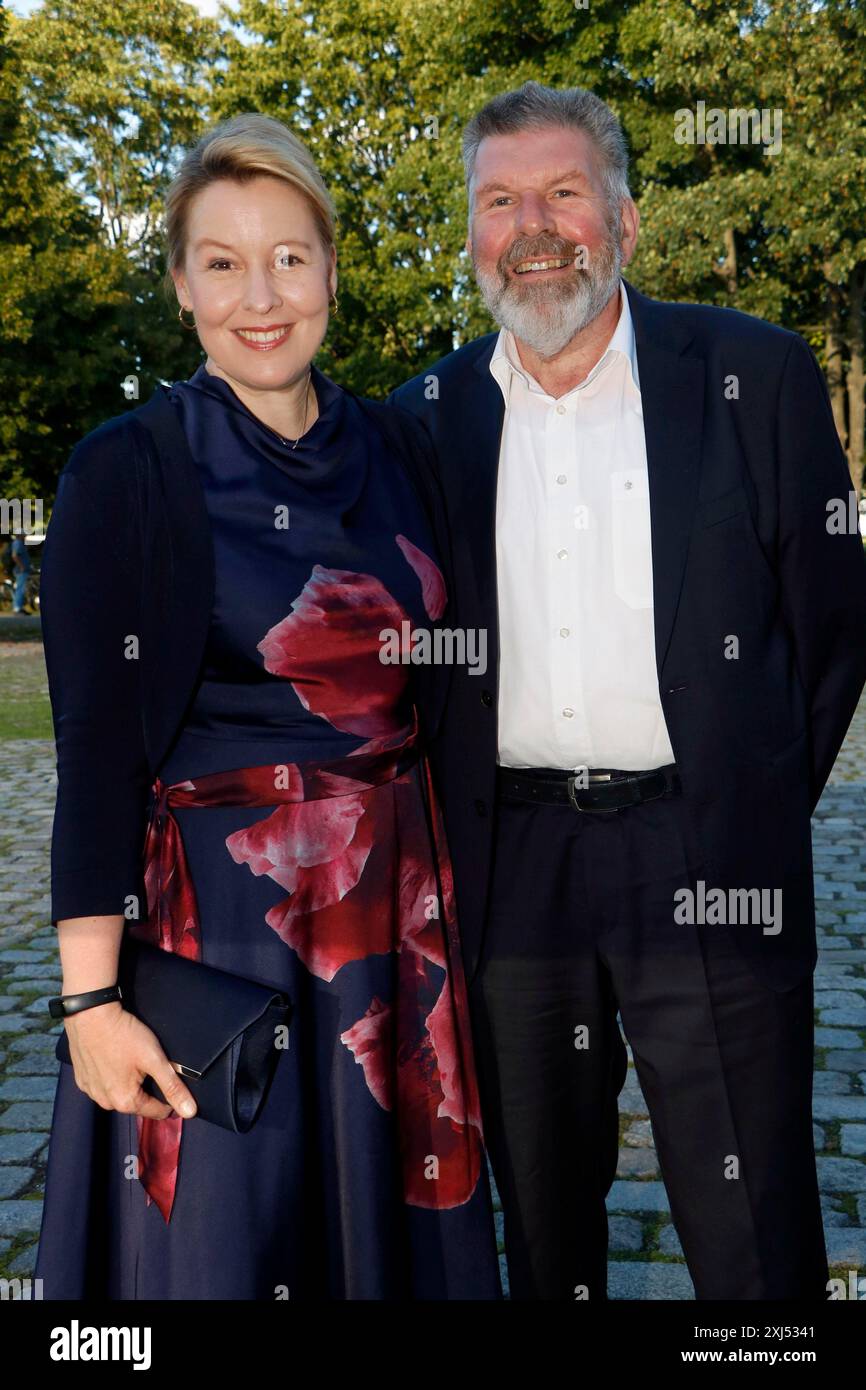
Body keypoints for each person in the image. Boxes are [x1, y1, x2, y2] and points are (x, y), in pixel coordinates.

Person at [387, 80, 866, 1300]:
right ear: (470, 237)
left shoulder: (752, 377)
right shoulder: (421, 423)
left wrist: (740, 801)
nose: (532, 225)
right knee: (543, 1227)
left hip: (704, 852)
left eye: (561, 192)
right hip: (510, 875)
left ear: (626, 221)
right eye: (499, 200)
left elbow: (827, 631)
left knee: (750, 1220)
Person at [34, 113, 501, 1301]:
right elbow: (91, 751)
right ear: (183, 283)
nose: (262, 294)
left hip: (392, 930)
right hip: (219, 941)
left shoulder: (405, 446)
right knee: (225, 1259)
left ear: (331, 271)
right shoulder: (127, 467)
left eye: (289, 257)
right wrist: (90, 1001)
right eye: (224, 261)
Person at [11, 530, 31, 613]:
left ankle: (18, 606)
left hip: (22, 570)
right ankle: (17, 607)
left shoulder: (19, 543)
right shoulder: (18, 543)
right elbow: (15, 556)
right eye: (23, 534)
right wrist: (22, 566)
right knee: (20, 589)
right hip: (21, 571)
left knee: (21, 588)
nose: (25, 536)